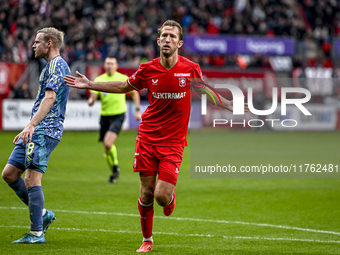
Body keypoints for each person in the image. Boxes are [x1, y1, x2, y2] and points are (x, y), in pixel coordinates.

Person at [65, 20, 248, 252]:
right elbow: (124, 86)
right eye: (164, 36)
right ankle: (147, 240)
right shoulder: (147, 69)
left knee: (162, 196)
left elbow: (206, 92)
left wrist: (232, 106)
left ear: (179, 43)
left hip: (173, 142)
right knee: (146, 191)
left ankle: (169, 199)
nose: (168, 40)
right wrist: (91, 84)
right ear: (158, 41)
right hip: (147, 138)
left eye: (172, 36)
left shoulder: (190, 68)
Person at [2, 27, 70, 244]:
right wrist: (30, 126)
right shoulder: (48, 67)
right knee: (10, 174)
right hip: (35, 128)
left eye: (37, 41)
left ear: (49, 43)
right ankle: (42, 215)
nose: (33, 45)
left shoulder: (58, 65)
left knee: (32, 178)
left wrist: (31, 125)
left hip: (45, 129)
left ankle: (37, 233)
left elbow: (50, 98)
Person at [88, 56, 141, 183]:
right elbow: (94, 94)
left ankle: (116, 166)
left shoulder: (123, 79)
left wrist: (137, 110)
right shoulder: (99, 80)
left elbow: (135, 93)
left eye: (112, 63)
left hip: (118, 115)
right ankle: (114, 171)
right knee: (106, 150)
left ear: (116, 66)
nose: (109, 65)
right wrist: (91, 100)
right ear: (104, 65)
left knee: (108, 143)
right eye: (107, 63)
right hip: (104, 116)